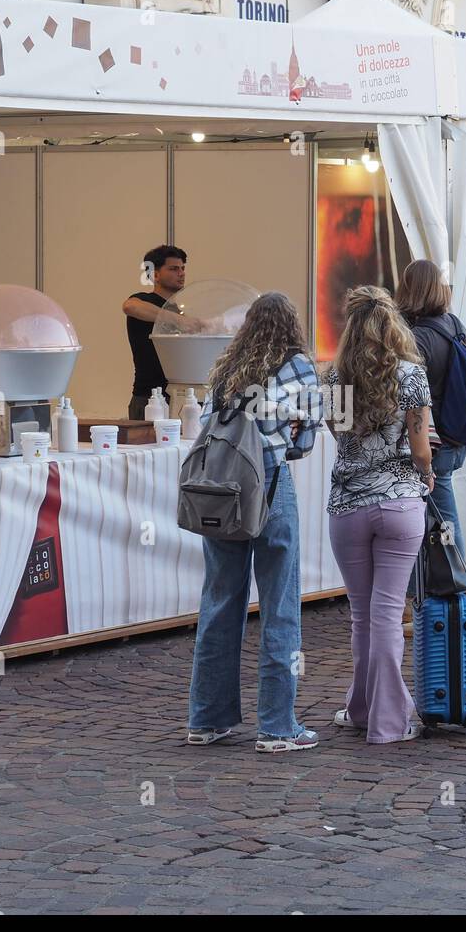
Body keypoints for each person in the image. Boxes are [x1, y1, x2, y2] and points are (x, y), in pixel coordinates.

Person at [186, 292, 325, 753]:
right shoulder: (298, 366)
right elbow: (307, 437)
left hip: (221, 493)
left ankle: (206, 718)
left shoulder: (226, 368)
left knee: (220, 601)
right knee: (280, 605)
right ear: (292, 325)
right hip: (269, 488)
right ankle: (277, 726)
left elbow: (205, 426)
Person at [324, 287, 432, 745]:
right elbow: (422, 448)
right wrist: (424, 472)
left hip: (349, 504)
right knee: (388, 614)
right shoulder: (411, 376)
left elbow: (340, 434)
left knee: (362, 615)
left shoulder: (333, 379)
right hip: (401, 501)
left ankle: (363, 708)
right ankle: (388, 722)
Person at [396, 258, 466, 558]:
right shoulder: (454, 325)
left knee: (443, 517)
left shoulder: (415, 339)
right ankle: (442, 577)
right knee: (439, 512)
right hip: (458, 430)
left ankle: (455, 573)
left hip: (433, 438)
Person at [122, 245, 187, 421]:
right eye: (173, 269)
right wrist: (182, 321)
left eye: (182, 268)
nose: (181, 273)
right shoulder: (144, 300)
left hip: (175, 396)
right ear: (155, 274)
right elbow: (129, 306)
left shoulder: (178, 311)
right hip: (148, 398)